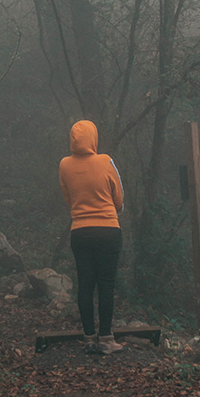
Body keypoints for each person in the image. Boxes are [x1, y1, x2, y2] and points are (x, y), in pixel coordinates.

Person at [59, 119, 124, 354]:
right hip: (108, 230)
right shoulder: (106, 161)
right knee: (106, 284)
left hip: (80, 232)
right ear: (93, 138)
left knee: (85, 284)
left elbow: (69, 199)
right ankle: (106, 339)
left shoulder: (64, 165)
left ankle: (88, 338)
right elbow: (119, 199)